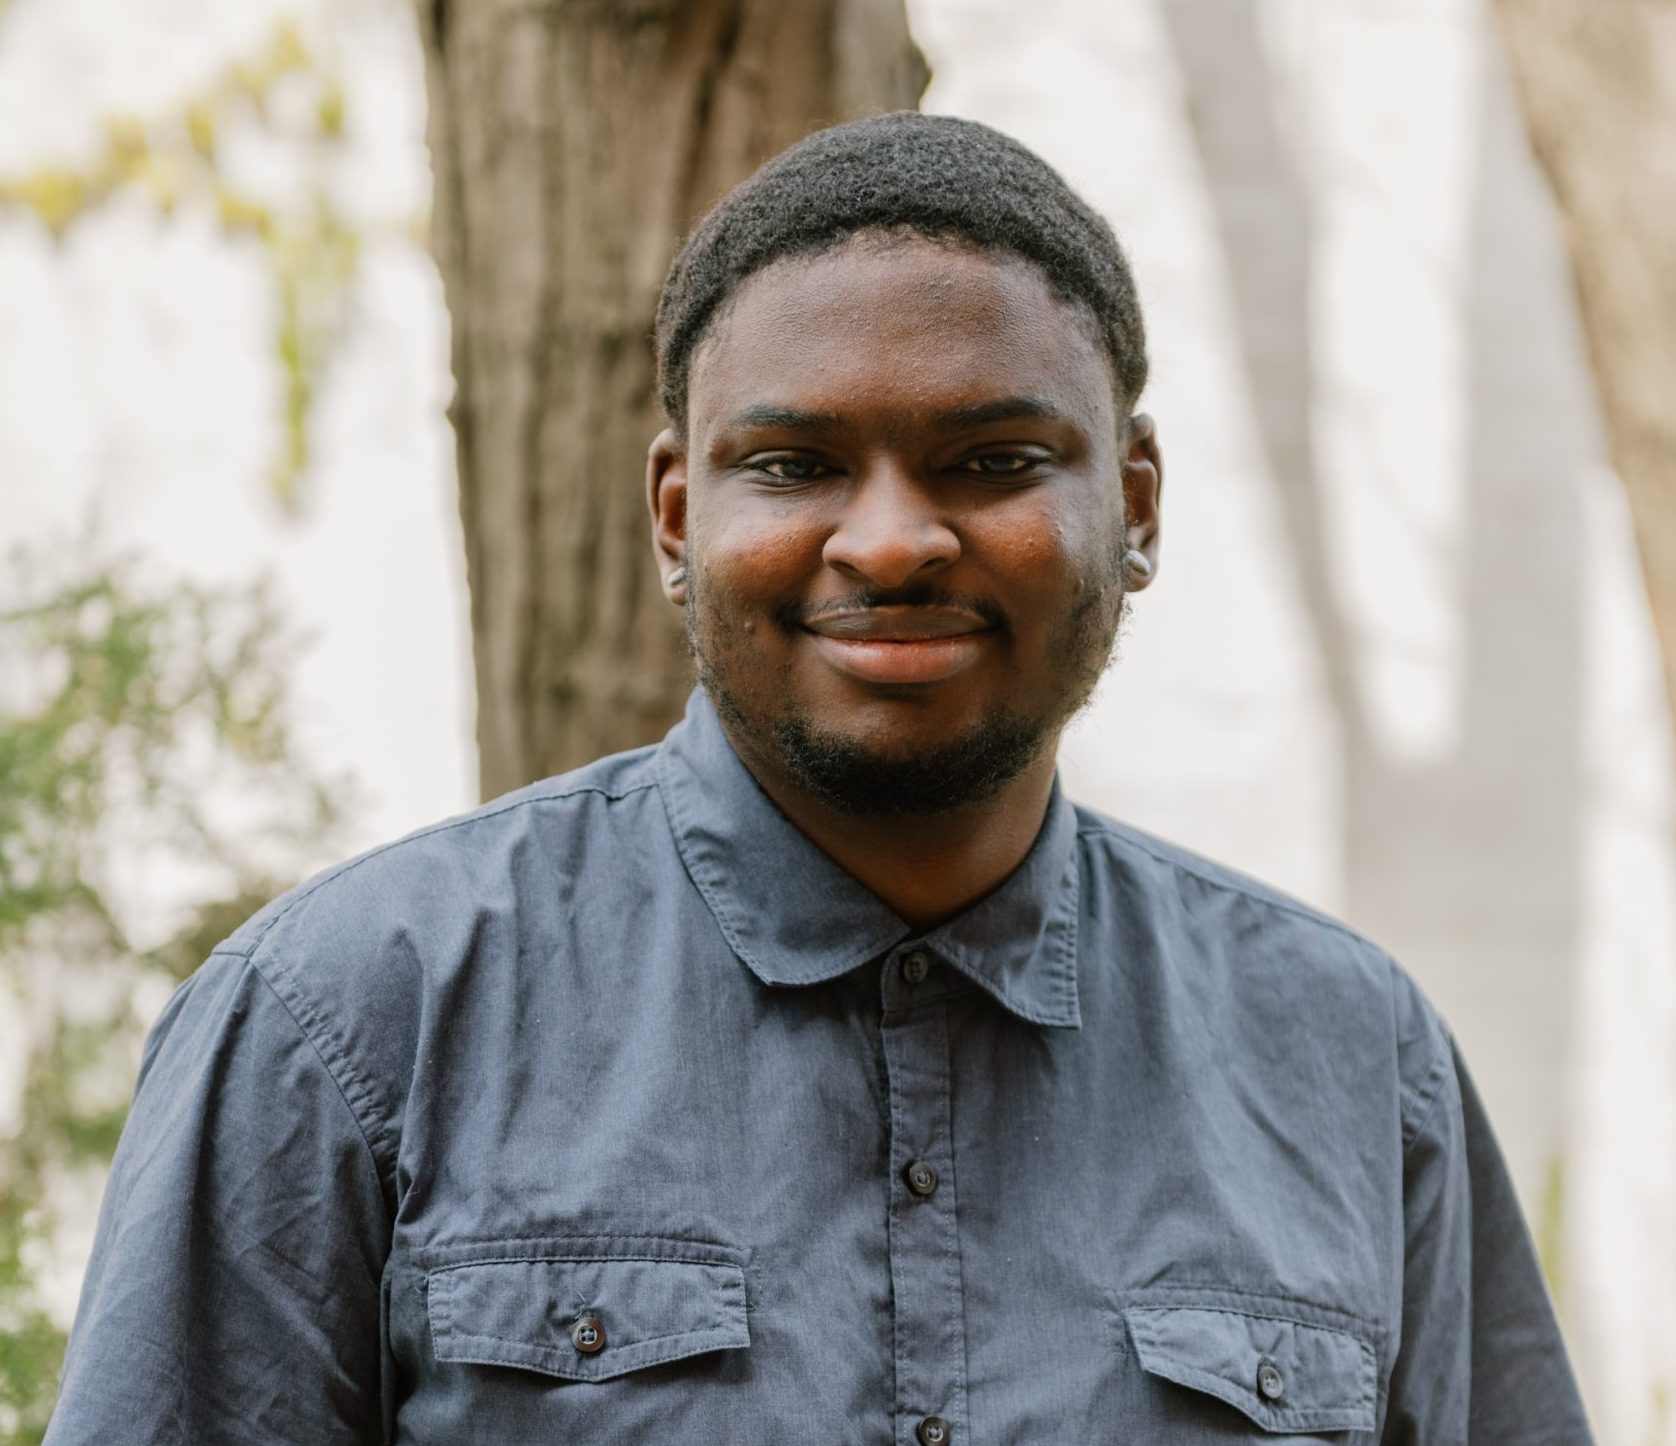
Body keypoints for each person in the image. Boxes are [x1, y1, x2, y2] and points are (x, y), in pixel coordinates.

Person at [47, 112, 1592, 1445]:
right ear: (675, 514)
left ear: (1132, 503)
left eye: (993, 459)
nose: (893, 540)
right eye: (793, 466)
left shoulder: (1349, 1061)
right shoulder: (341, 1023)